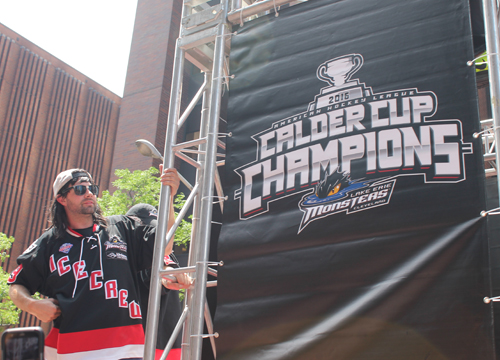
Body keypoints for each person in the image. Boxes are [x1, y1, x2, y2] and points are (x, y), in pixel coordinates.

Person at [7, 166, 190, 360]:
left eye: (91, 188)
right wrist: (33, 306)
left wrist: (168, 197)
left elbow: (165, 246)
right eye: (79, 189)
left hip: (126, 347)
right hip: (74, 350)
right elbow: (16, 283)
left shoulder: (122, 227)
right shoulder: (49, 242)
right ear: (61, 199)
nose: (89, 193)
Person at [127, 203, 183, 360]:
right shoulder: (126, 253)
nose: (150, 237)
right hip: (157, 346)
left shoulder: (157, 254)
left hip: (150, 347)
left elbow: (165, 273)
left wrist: (172, 273)